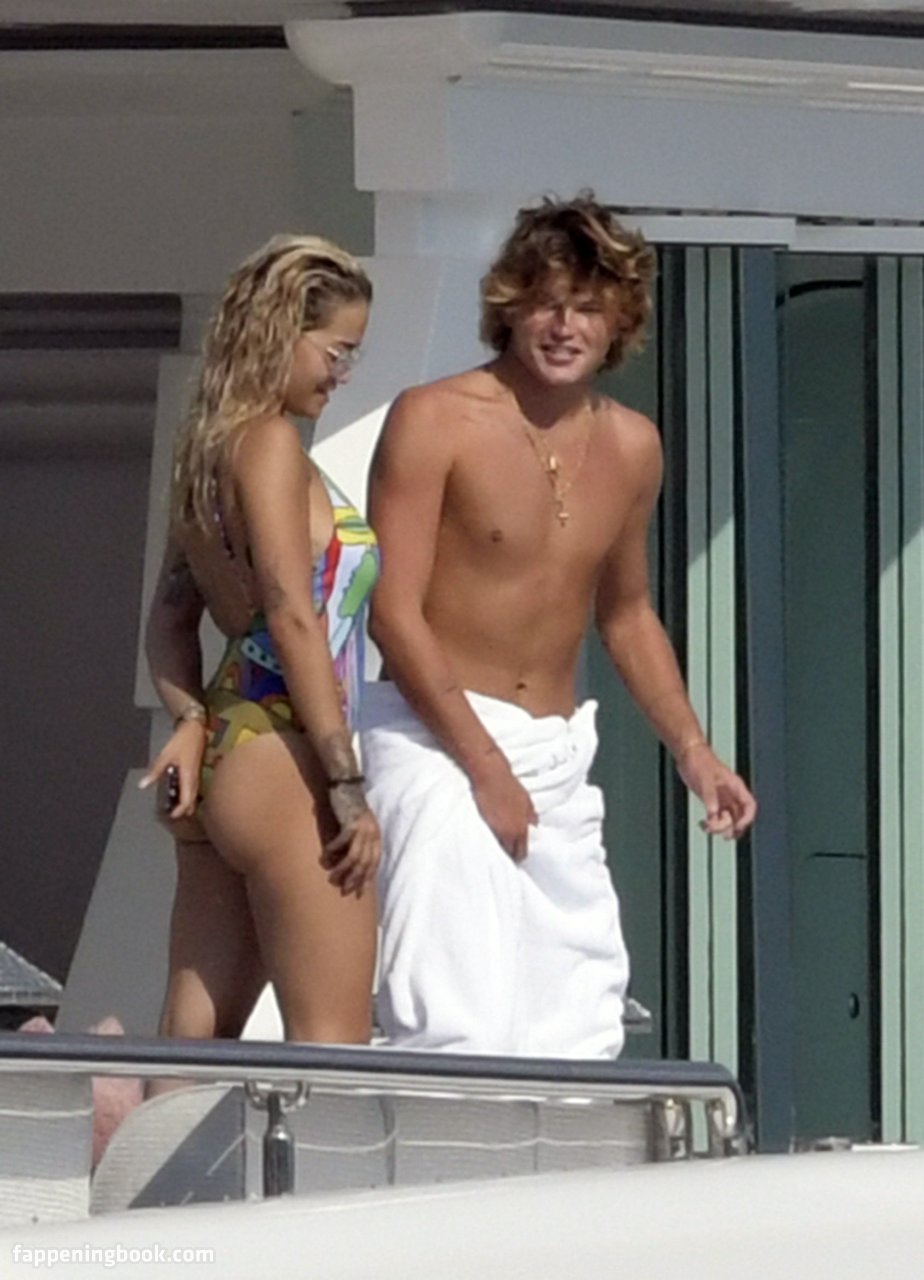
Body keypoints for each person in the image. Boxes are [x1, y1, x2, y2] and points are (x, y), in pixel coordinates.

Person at [362, 194, 757, 1059]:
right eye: (545, 302)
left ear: (620, 320)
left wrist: (694, 750)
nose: (565, 326)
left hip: (554, 751)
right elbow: (392, 611)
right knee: (453, 1014)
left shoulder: (633, 446)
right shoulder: (434, 417)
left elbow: (627, 613)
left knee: (578, 1020)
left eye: (586, 306)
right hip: (436, 742)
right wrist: (485, 768)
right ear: (510, 305)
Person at [141, 235, 381, 1049]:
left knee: (191, 1040)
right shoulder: (271, 442)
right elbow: (289, 608)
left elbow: (169, 618)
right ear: (283, 332)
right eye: (337, 352)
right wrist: (344, 780)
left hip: (226, 744)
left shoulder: (208, 446)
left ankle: (151, 1144)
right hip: (285, 750)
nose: (342, 374)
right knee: (333, 1045)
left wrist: (189, 720)